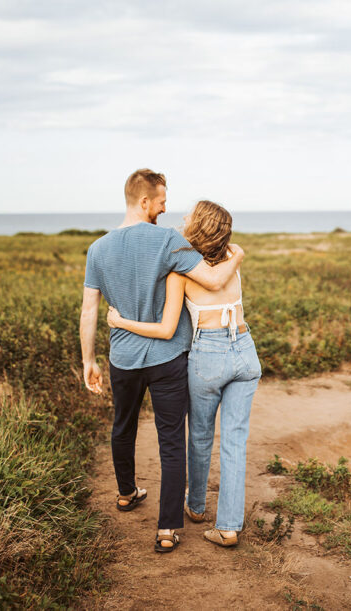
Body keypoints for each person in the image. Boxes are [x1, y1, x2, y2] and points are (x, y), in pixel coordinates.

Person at [80, 170, 245, 554]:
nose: (166, 208)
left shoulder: (97, 249)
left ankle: (125, 493)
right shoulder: (170, 239)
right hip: (169, 357)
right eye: (161, 201)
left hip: (123, 357)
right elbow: (213, 279)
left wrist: (88, 359)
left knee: (123, 426)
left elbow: (90, 310)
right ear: (143, 202)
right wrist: (238, 256)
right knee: (171, 440)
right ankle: (168, 528)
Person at [107, 200, 261, 548]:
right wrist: (235, 254)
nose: (184, 218)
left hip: (208, 353)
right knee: (235, 441)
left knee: (200, 436)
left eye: (190, 216)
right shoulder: (233, 259)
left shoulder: (180, 271)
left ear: (198, 226)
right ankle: (228, 527)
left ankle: (195, 506)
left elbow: (166, 327)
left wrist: (119, 322)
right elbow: (222, 273)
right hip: (245, 349)